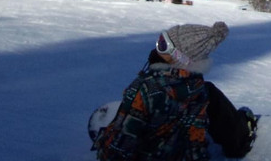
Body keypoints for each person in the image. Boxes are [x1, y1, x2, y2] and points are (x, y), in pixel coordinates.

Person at [93, 22, 257, 161]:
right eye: (160, 41)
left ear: (180, 58)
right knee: (210, 92)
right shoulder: (197, 89)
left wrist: (105, 143)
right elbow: (196, 139)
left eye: (163, 46)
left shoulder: (146, 89)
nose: (157, 48)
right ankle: (238, 136)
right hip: (177, 153)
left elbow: (118, 149)